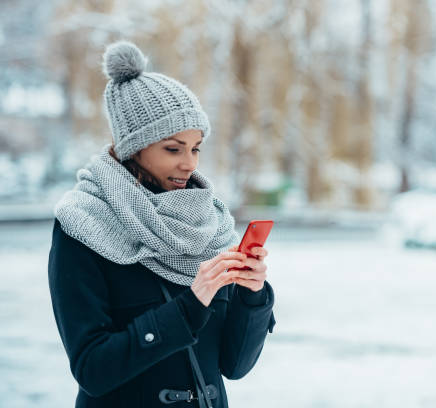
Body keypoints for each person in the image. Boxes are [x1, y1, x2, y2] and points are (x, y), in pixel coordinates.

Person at [47, 40, 276, 408]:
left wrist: (253, 296)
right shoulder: (84, 224)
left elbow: (234, 366)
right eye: (174, 148)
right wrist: (191, 304)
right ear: (133, 148)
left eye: (196, 147)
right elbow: (92, 369)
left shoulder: (209, 226)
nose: (190, 164)